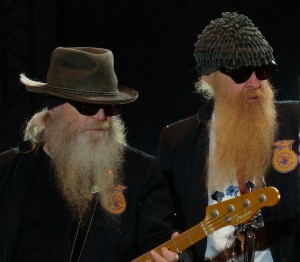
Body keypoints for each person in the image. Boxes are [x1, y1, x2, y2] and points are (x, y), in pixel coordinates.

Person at [0, 47, 191, 262]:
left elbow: (164, 245)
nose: (102, 116)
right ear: (54, 108)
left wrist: (176, 259)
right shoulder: (8, 172)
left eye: (109, 107)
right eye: (87, 107)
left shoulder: (141, 173)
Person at [158, 12, 299, 261]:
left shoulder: (296, 120)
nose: (255, 83)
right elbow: (167, 224)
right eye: (241, 73)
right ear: (207, 78)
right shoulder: (176, 139)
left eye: (264, 71)